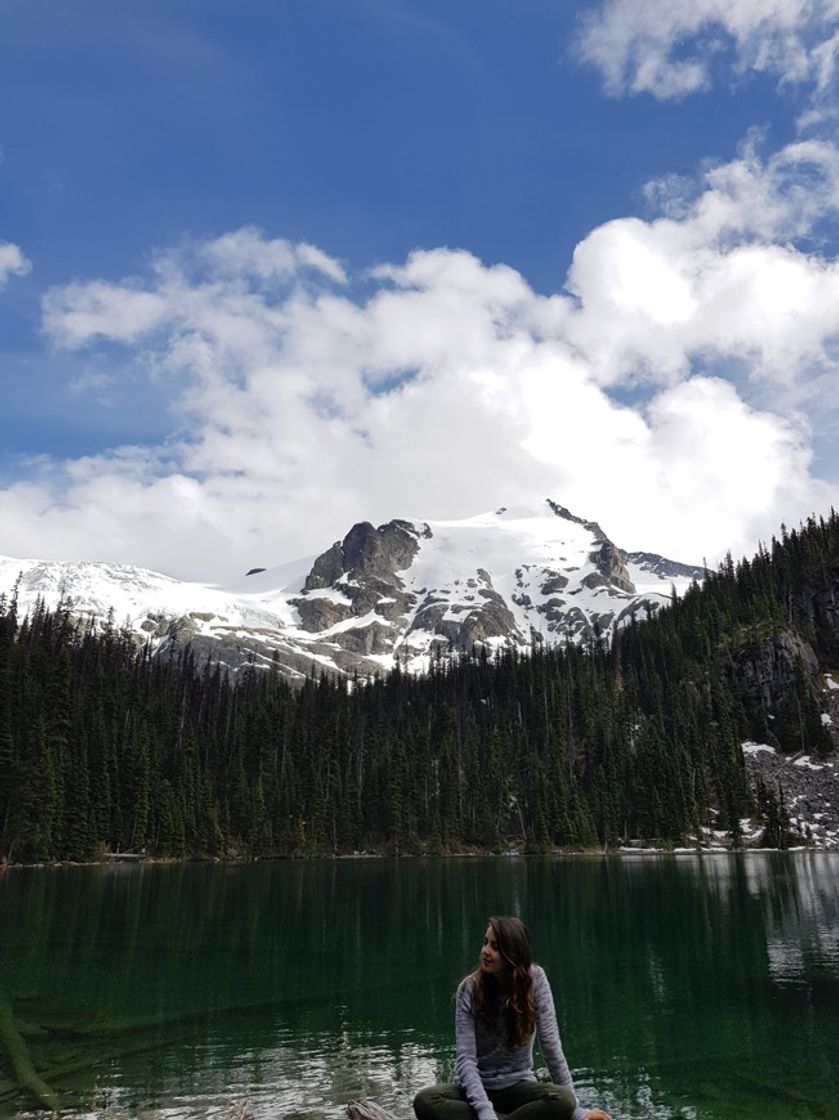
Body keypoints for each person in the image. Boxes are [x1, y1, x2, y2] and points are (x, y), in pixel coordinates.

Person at [413, 916, 611, 1120]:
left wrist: (576, 1111)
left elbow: (551, 1047)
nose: (485, 951)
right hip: (474, 1091)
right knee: (426, 1100)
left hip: (518, 1087)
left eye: (495, 947)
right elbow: (466, 1061)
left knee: (564, 1099)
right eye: (485, 942)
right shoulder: (469, 989)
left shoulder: (536, 981)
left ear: (512, 954)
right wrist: (486, 1113)